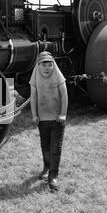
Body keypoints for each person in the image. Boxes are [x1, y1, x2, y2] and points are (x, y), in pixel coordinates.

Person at [30, 52, 68, 191]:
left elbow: (64, 95)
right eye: (44, 64)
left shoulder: (57, 75)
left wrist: (63, 114)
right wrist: (34, 115)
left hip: (57, 119)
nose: (47, 67)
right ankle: (46, 167)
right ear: (38, 65)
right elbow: (33, 97)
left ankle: (53, 176)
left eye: (50, 64)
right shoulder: (35, 76)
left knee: (55, 149)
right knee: (45, 146)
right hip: (43, 119)